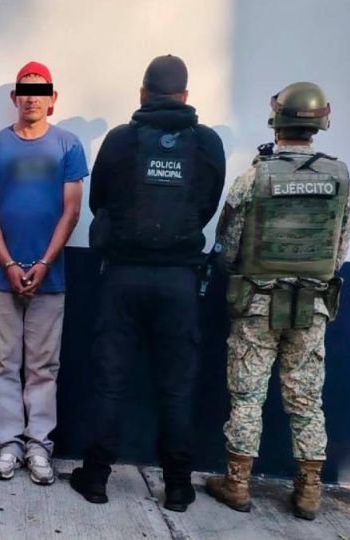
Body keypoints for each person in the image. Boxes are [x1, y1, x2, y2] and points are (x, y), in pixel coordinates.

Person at [70, 55, 225, 512]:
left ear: (143, 94)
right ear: (185, 95)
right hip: (179, 280)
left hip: (123, 276)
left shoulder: (120, 140)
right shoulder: (207, 143)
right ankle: (177, 486)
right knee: (176, 387)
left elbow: (99, 200)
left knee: (109, 382)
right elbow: (207, 205)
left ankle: (96, 478)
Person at [205, 82, 350, 521]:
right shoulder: (339, 177)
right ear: (320, 123)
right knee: (306, 398)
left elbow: (228, 246)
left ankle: (237, 483)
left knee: (247, 396)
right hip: (312, 306)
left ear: (277, 121)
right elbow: (339, 250)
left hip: (257, 304)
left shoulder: (254, 177)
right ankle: (308, 491)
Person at [0, 61, 86, 485]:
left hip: (49, 277)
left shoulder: (68, 146)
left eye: (41, 91)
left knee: (43, 365)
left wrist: (44, 262)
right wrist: (7, 262)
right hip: (0, 276)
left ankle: (39, 445)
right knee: (1, 362)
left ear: (52, 99)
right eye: (25, 90)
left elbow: (71, 210)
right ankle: (8, 445)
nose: (32, 98)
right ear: (15, 98)